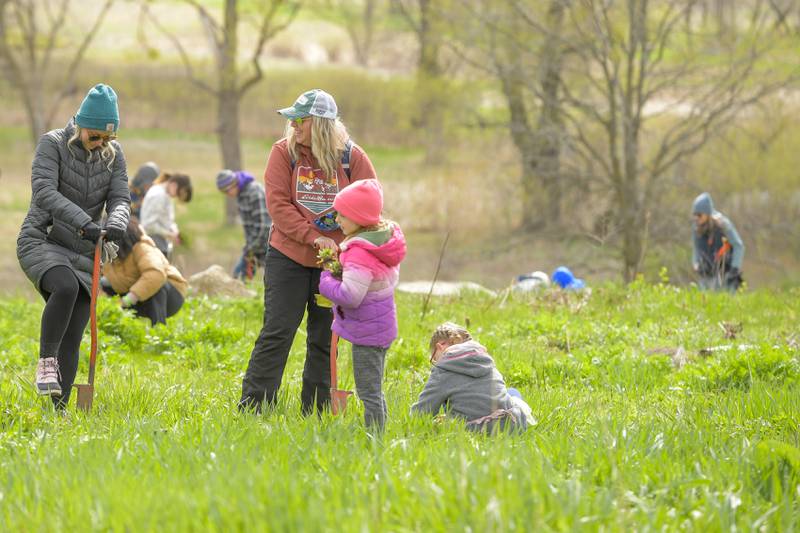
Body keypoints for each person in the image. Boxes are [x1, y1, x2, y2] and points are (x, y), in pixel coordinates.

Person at [238, 89, 378, 415]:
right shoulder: (283, 153)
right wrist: (314, 237)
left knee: (324, 338)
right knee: (277, 331)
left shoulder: (351, 158)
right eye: (292, 119)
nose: (294, 126)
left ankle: (315, 411)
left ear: (321, 125)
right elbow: (278, 206)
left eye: (301, 120)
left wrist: (348, 245)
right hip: (288, 255)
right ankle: (254, 408)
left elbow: (371, 204)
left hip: (335, 264)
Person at [16, 83, 130, 408]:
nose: (101, 144)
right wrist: (86, 223)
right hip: (43, 239)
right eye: (95, 136)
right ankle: (44, 363)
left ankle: (60, 413)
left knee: (75, 330)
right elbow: (44, 192)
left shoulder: (113, 156)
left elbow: (121, 197)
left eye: (108, 139)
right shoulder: (52, 144)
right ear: (80, 124)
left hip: (85, 251)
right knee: (64, 287)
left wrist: (118, 222)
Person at [318, 180, 407, 431]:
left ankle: (375, 439)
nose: (337, 220)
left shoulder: (359, 252)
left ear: (358, 217)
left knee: (369, 391)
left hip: (368, 334)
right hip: (380, 327)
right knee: (374, 388)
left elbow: (350, 295)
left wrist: (326, 277)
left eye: (342, 215)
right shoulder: (380, 243)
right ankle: (379, 431)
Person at [411, 322, 534, 433]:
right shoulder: (486, 360)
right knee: (512, 392)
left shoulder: (443, 369)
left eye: (434, 358)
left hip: (476, 429)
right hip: (512, 424)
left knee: (444, 400)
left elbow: (421, 413)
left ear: (440, 346)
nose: (436, 362)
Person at [101, 218, 188, 325]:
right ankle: (122, 327)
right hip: (139, 296)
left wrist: (127, 300)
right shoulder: (111, 258)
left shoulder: (142, 247)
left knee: (157, 284)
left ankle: (159, 328)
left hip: (172, 296)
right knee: (104, 283)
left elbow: (156, 275)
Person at [216, 169, 271, 280]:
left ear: (233, 184)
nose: (227, 194)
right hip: (254, 247)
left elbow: (263, 226)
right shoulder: (240, 195)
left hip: (268, 246)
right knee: (238, 277)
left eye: (227, 191)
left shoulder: (254, 192)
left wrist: (250, 249)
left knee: (272, 282)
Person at [691, 192, 744, 292]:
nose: (696, 218)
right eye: (694, 215)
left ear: (707, 213)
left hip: (726, 273)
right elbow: (696, 249)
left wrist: (734, 269)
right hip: (707, 275)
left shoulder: (724, 226)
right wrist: (696, 264)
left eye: (699, 215)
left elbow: (738, 246)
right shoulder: (696, 228)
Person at [140, 172, 192, 258]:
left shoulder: (164, 194)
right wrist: (169, 234)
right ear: (174, 185)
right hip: (154, 244)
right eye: (178, 193)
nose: (176, 196)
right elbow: (148, 225)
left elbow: (167, 220)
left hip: (160, 243)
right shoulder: (158, 195)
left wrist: (174, 231)